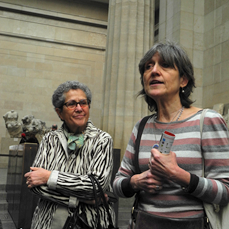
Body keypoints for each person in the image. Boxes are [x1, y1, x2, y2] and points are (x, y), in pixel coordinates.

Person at [113, 42, 229, 229]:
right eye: (148, 66)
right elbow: (117, 184)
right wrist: (137, 181)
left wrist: (178, 175)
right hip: (144, 223)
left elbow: (225, 191)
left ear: (183, 80)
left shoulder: (207, 121)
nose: (154, 71)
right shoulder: (141, 126)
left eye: (165, 65)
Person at [24, 81, 115, 229]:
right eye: (72, 104)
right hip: (47, 222)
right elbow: (35, 185)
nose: (79, 108)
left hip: (90, 222)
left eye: (83, 103)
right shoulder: (49, 139)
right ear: (59, 112)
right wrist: (81, 200)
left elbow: (96, 185)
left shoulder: (103, 139)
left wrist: (49, 177)